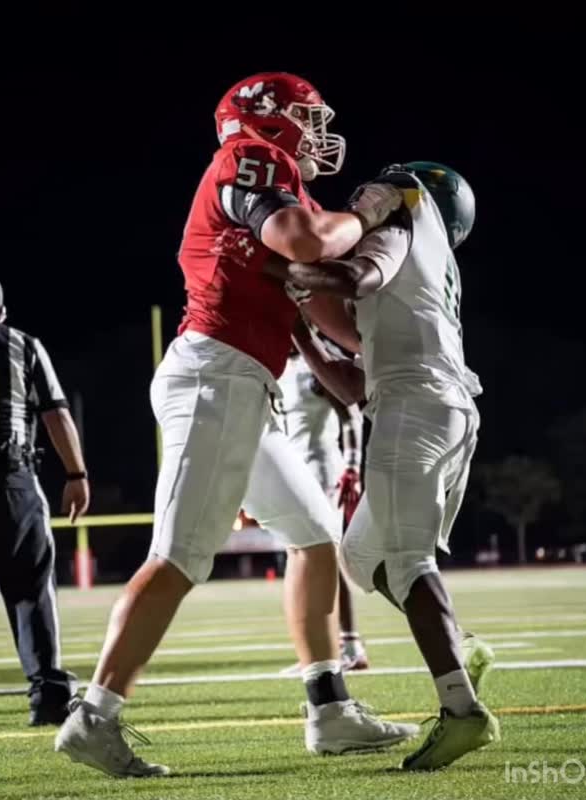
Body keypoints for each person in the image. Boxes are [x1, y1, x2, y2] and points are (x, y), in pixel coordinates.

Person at [55, 72, 417, 778]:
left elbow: (327, 311)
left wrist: (400, 347)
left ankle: (329, 708)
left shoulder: (287, 188)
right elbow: (305, 240)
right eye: (309, 117)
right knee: (180, 555)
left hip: (246, 383)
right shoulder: (252, 160)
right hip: (216, 375)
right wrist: (368, 218)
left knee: (316, 536)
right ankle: (92, 716)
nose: (320, 132)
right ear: (271, 118)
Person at [266, 162, 500, 771]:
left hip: (418, 412)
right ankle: (458, 647)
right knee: (360, 556)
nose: (365, 198)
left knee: (406, 561)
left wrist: (291, 272)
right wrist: (298, 327)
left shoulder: (401, 222)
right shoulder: (428, 271)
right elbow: (349, 383)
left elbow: (359, 275)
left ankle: (462, 710)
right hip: (434, 409)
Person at [0, 272, 89, 725]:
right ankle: (48, 695)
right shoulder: (21, 344)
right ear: (0, 313)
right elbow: (56, 413)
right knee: (31, 588)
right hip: (9, 479)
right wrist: (76, 473)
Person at [277, 349, 368, 671]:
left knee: (323, 554)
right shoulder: (277, 366)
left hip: (322, 469)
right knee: (304, 556)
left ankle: (350, 645)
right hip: (294, 469)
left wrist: (353, 466)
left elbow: (351, 413)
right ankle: (320, 654)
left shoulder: (312, 365)